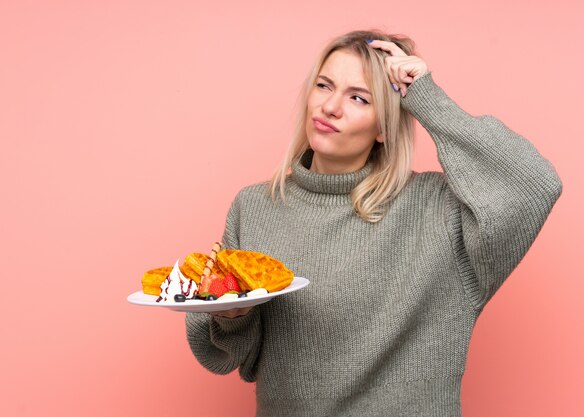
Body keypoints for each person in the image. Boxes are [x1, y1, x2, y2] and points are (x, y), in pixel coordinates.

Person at [185, 30, 562, 417]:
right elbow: (237, 360)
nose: (330, 107)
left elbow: (534, 184)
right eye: (324, 85)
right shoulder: (255, 208)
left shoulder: (440, 211)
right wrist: (231, 318)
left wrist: (427, 100)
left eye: (358, 98)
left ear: (384, 127)